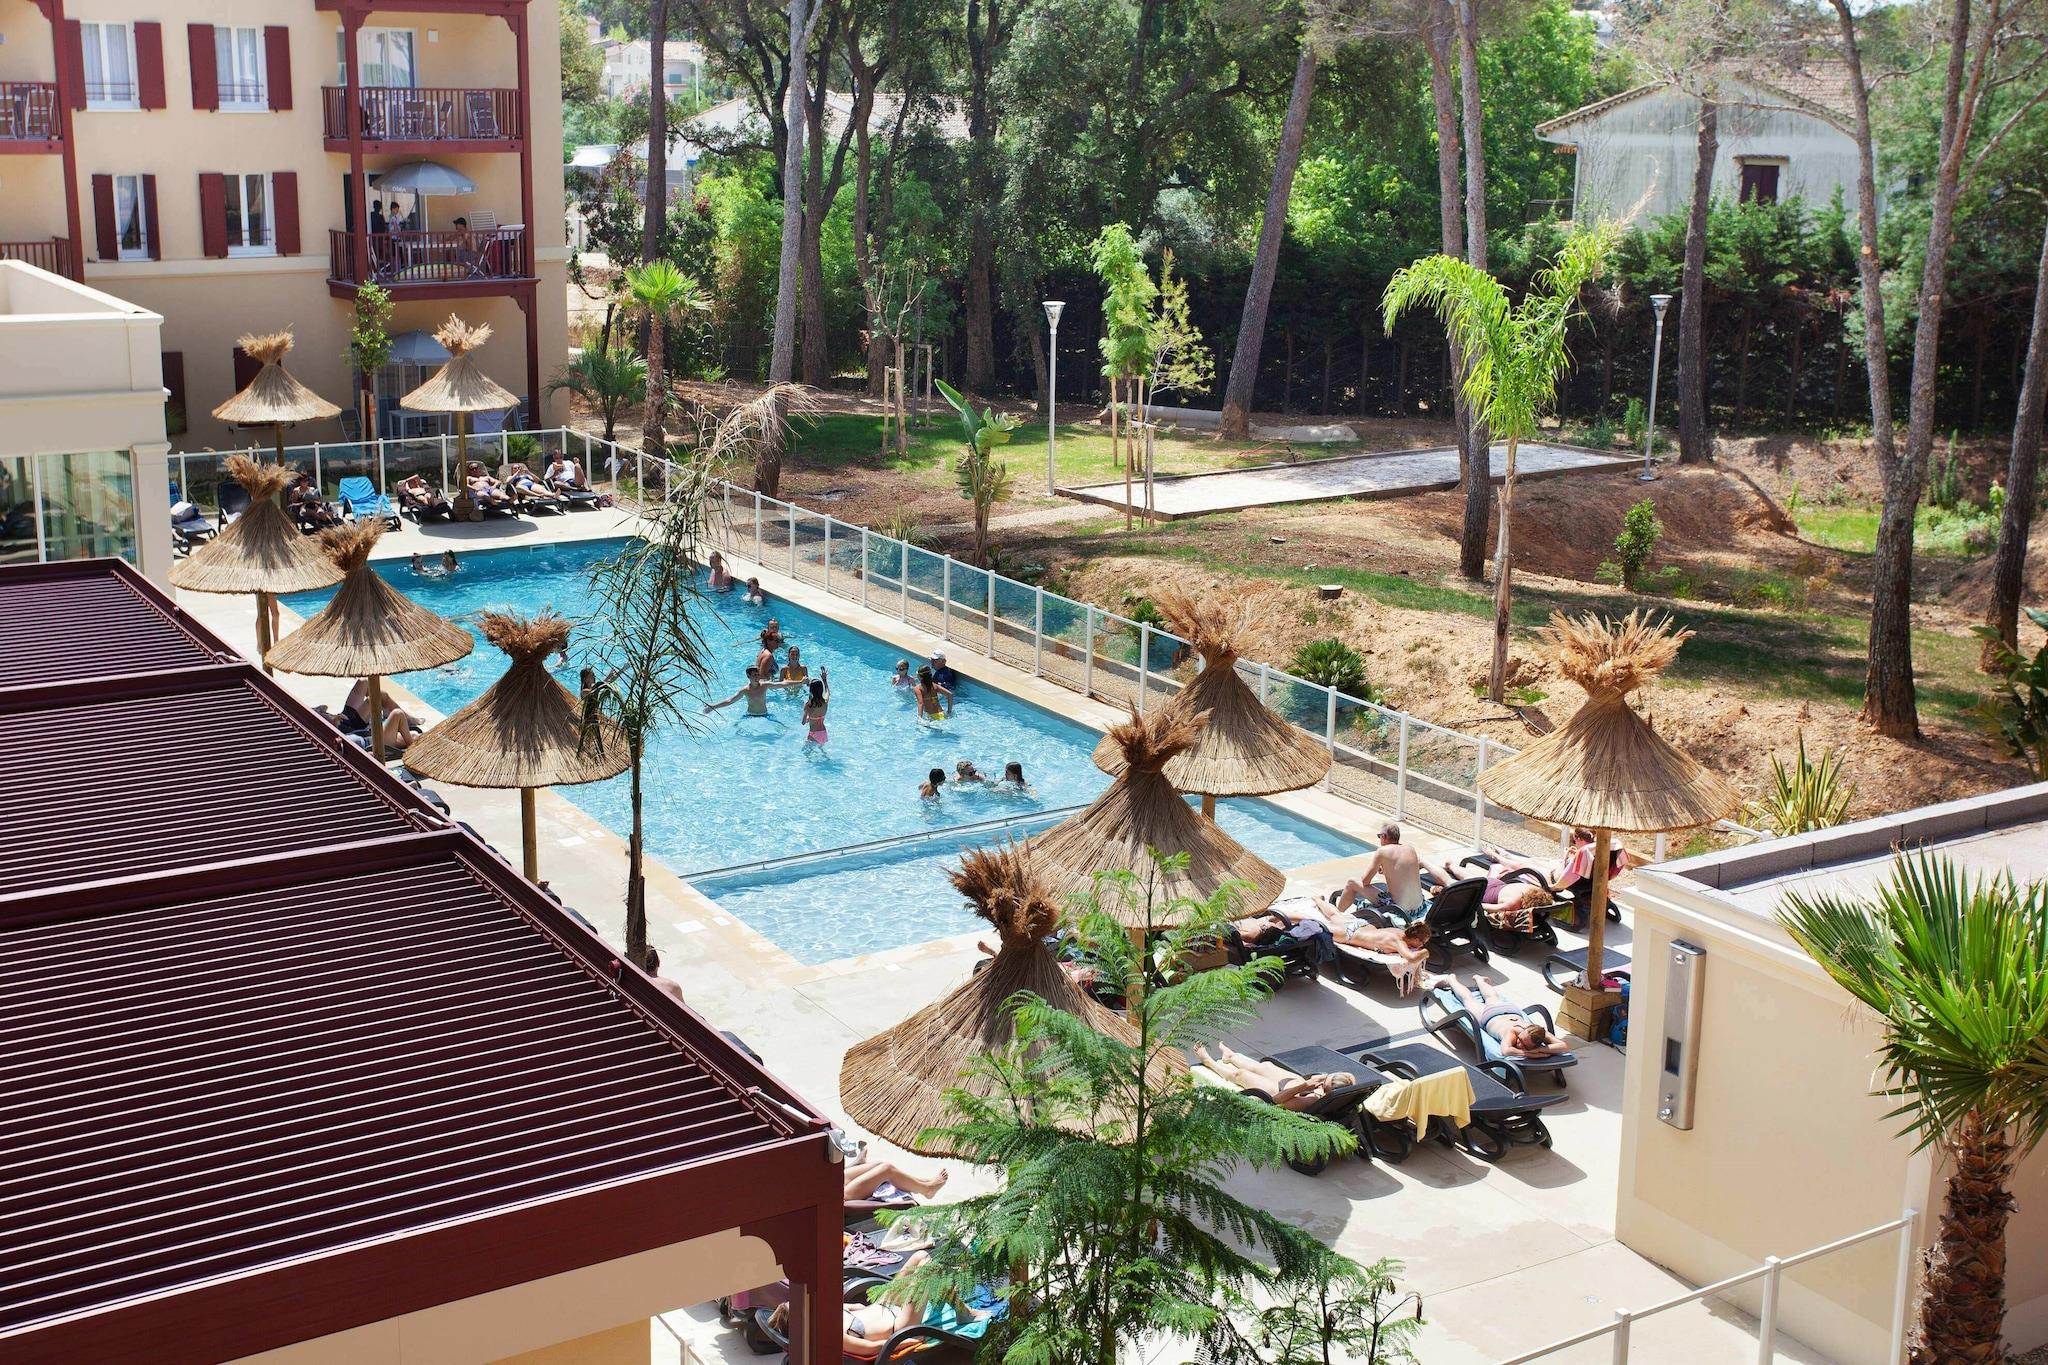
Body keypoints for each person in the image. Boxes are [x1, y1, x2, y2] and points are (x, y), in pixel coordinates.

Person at [768, 1250, 987, 1361]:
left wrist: (886, 1298)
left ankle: (958, 1303)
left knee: (921, 1257)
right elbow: (872, 1348)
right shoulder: (833, 1336)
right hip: (901, 1326)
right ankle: (964, 1313)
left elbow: (860, 1308)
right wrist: (905, 1341)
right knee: (927, 1274)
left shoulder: (826, 1314)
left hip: (887, 1305)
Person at [1431, 975, 1572, 1058]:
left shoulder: (1537, 1032)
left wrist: (1541, 1049)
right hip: (1489, 1016)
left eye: (1524, 1045)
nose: (1519, 1044)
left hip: (1508, 1010)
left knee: (1491, 996)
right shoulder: (1513, 1032)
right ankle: (1451, 980)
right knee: (1468, 999)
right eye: (1521, 1040)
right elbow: (1506, 1051)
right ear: (1524, 1031)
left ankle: (1480, 980)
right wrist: (1530, 1053)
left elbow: (1564, 1046)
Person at [1194, 1044, 1356, 1110]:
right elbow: (1349, 1077)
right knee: (1266, 1066)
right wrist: (1319, 1081)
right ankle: (1231, 1057)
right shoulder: (1348, 1086)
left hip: (1281, 1093)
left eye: (1324, 1085)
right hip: (1295, 1086)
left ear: (1328, 1093)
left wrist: (1305, 1086)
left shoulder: (1311, 1101)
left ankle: (1209, 1062)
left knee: (1241, 1075)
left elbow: (1277, 1101)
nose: (1321, 1082)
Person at [1335, 823, 1427, 918]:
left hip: (1398, 909)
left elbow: (1365, 881)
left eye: (1379, 836)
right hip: (1419, 907)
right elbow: (1402, 874)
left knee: (1351, 883)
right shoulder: (1410, 849)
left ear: (1384, 836)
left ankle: (1336, 916)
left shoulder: (1382, 851)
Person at [705, 666, 805, 717]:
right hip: (750, 716)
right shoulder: (745, 690)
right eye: (754, 675)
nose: (757, 677)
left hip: (765, 715)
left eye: (758, 675)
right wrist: (713, 707)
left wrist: (800, 682)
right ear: (748, 676)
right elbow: (730, 701)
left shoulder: (765, 685)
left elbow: (783, 684)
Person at [844, 1158, 948, 1201]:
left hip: (836, 1182)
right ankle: (927, 1189)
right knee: (887, 1170)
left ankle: (919, 1182)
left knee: (878, 1165)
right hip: (840, 1197)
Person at [801, 671, 831, 745]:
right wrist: (824, 680)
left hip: (813, 734)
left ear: (811, 691)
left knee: (808, 752)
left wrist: (808, 718)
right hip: (823, 732)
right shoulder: (825, 702)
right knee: (822, 750)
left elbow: (803, 722)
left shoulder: (808, 705)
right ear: (821, 690)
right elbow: (827, 691)